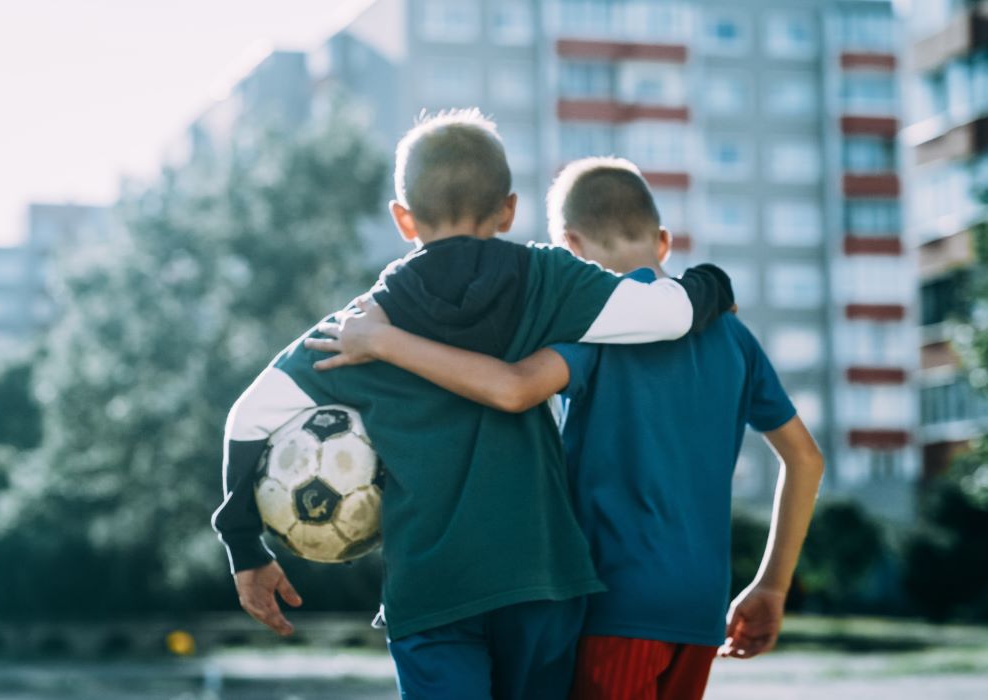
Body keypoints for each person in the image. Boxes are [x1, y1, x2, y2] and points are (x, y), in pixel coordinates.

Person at [212, 113, 735, 699]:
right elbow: (670, 315)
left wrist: (242, 544)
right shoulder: (550, 279)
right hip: (542, 581)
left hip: (434, 592)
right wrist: (714, 284)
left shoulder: (363, 325)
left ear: (402, 217)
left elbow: (248, 417)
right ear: (508, 210)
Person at [308, 157, 824, 700]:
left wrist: (384, 343)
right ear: (663, 242)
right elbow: (805, 460)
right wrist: (771, 584)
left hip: (616, 605)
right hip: (699, 611)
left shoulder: (597, 327)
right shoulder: (735, 339)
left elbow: (512, 388)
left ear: (571, 248)